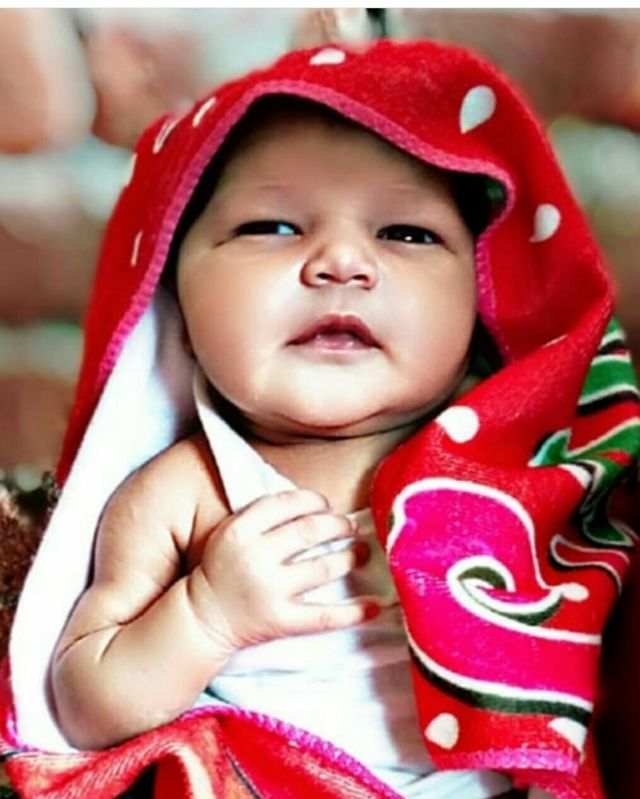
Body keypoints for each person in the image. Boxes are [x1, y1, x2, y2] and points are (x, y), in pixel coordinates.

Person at [2, 40, 639, 799]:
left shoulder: (523, 472)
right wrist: (205, 616)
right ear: (173, 299)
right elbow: (79, 702)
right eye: (273, 227)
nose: (341, 261)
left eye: (406, 233)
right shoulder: (185, 493)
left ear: (481, 302)